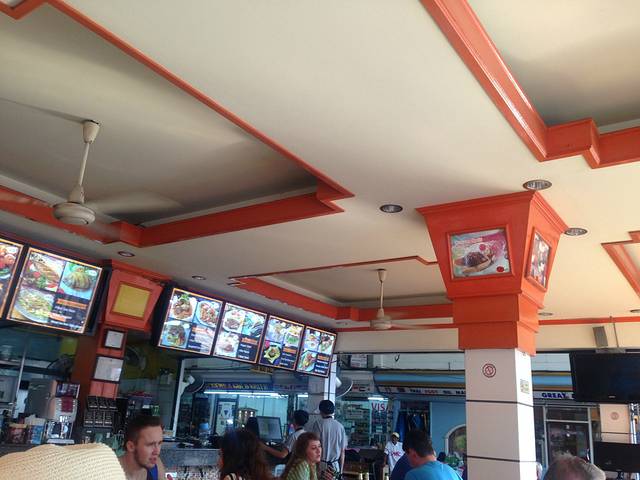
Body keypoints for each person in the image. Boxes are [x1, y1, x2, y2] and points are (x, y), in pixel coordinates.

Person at [119, 415, 166, 480]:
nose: (157, 452)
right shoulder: (109, 473)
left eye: (159, 443)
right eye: (150, 444)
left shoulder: (156, 464)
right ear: (131, 446)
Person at [309, 399, 348, 479]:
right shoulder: (340, 426)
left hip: (321, 466)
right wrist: (340, 473)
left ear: (321, 411)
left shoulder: (318, 424)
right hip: (335, 467)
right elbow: (342, 452)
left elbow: (314, 447)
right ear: (333, 411)